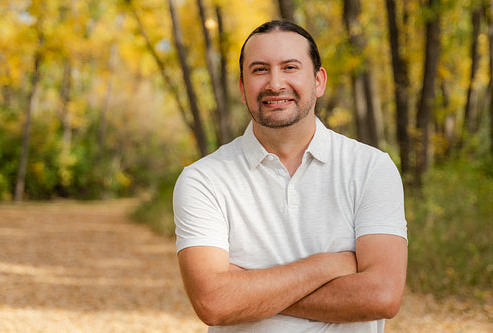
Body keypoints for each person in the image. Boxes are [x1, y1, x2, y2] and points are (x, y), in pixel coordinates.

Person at [173, 20, 407, 333]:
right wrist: (329, 265)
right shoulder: (204, 179)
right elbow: (213, 303)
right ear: (243, 89)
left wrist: (246, 288)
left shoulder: (371, 168)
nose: (275, 83)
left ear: (318, 81)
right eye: (259, 70)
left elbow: (382, 296)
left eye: (290, 67)